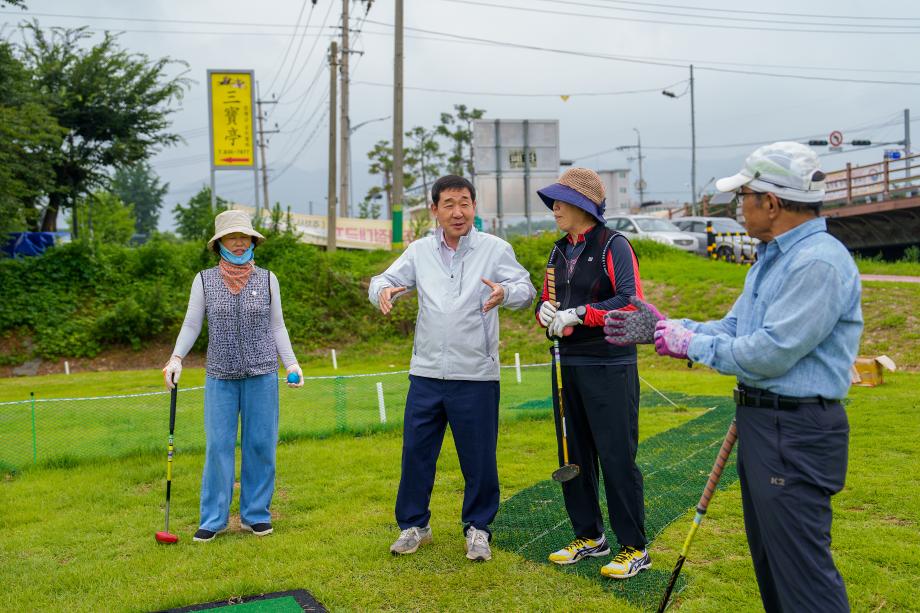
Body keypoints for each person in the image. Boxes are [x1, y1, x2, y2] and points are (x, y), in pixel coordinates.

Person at [607, 142, 862, 611]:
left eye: (744, 195)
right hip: (766, 425)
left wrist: (685, 343)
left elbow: (769, 353)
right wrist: (670, 329)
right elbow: (734, 329)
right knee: (773, 565)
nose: (738, 206)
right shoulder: (774, 257)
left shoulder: (817, 262)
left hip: (796, 431)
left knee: (803, 574)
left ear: (772, 201)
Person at [368, 175, 536, 562]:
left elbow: (526, 288)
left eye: (464, 202)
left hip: (475, 374)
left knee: (479, 458)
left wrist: (505, 292)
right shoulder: (420, 251)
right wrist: (384, 291)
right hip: (426, 373)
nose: (457, 211)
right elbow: (383, 278)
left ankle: (478, 529)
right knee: (416, 453)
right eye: (449, 204)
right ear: (434, 210)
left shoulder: (495, 249)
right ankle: (414, 526)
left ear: (474, 207)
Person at [534, 167, 651, 580]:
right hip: (567, 366)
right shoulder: (557, 251)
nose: (554, 209)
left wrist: (582, 313)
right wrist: (544, 311)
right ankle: (589, 535)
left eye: (561, 202)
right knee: (574, 454)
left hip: (610, 364)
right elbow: (547, 301)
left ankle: (634, 547)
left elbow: (630, 301)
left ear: (584, 205)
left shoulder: (613, 244)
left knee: (617, 456)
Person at [162, 209, 304, 542]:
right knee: (218, 447)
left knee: (260, 444)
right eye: (232, 238)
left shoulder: (268, 279)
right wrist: (176, 357)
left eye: (244, 238)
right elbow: (192, 324)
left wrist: (292, 364)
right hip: (220, 376)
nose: (239, 244)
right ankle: (213, 519)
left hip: (263, 374)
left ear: (253, 242)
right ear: (219, 243)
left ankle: (255, 515)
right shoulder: (203, 280)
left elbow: (277, 325)